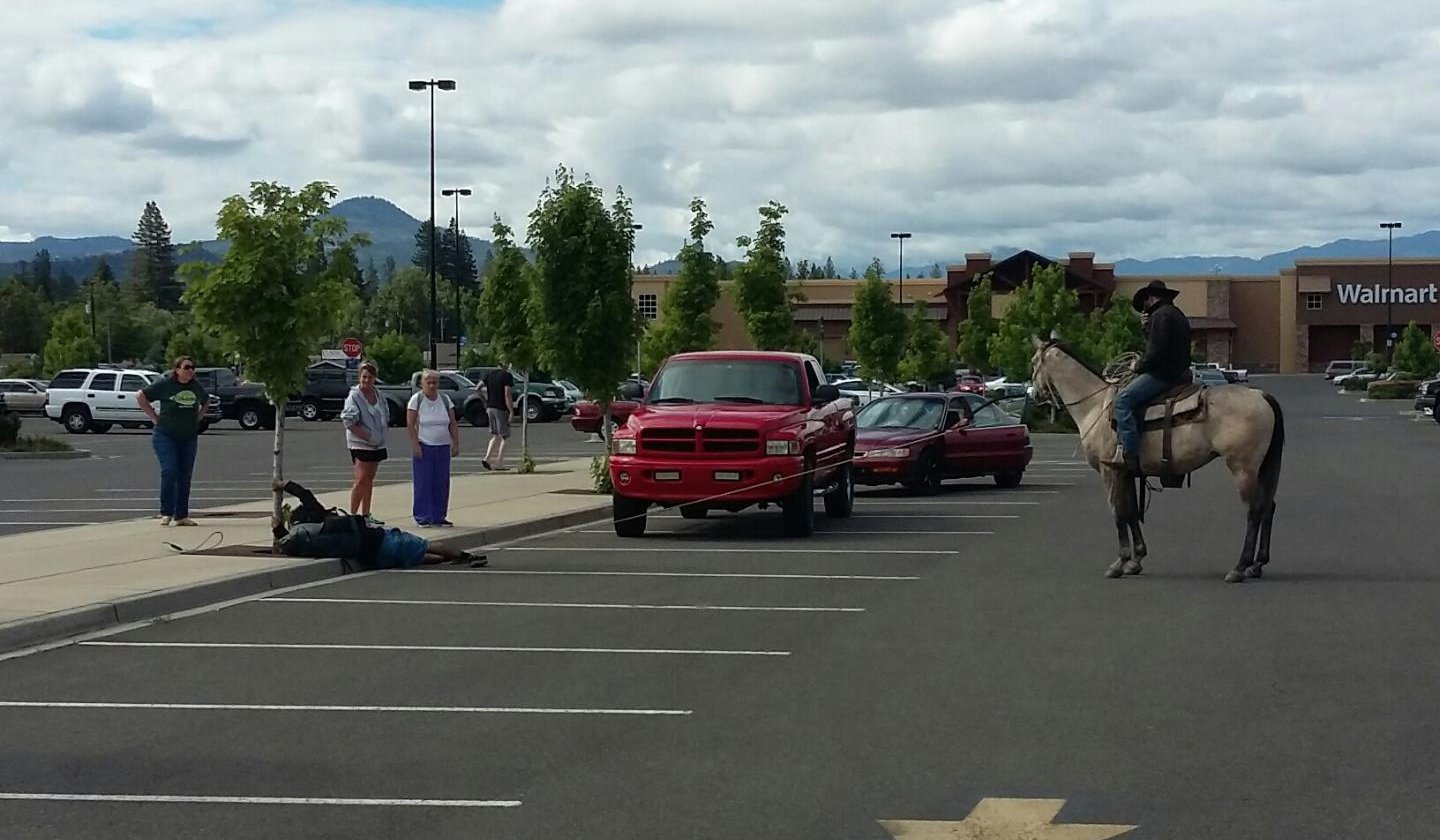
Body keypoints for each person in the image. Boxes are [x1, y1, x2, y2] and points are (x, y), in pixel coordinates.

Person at [272, 480, 486, 568]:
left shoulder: (304, 537)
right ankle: (464, 556)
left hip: (371, 556)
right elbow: (306, 496)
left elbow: (289, 544)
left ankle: (448, 560)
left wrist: (277, 528)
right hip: (379, 538)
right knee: (423, 544)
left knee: (417, 556)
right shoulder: (322, 519)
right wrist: (285, 485)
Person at [1112, 280, 1193, 473]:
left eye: (1144, 304)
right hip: (1181, 373)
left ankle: (1130, 453)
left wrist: (1137, 365)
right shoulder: (1176, 314)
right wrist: (1146, 328)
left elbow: (1156, 353)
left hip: (1164, 374)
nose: (1144, 309)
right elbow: (1163, 343)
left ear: (1151, 297)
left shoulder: (1160, 315)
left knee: (1122, 401)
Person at [138, 356, 208, 526]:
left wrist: (198, 418)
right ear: (177, 370)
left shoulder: (195, 387)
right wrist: (154, 417)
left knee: (185, 475)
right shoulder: (165, 385)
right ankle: (166, 512)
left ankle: (181, 515)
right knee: (169, 471)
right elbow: (141, 396)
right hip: (165, 435)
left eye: (192, 368)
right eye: (186, 367)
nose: (190, 371)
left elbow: (206, 401)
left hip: (188, 436)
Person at [407, 369, 459, 527]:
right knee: (424, 482)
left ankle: (439, 515)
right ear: (422, 384)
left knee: (441, 483)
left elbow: (452, 423)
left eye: (434, 383)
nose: (431, 386)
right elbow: (410, 424)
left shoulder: (445, 399)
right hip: (425, 445)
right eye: (428, 383)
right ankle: (423, 516)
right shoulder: (417, 399)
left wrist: (455, 442)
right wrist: (415, 444)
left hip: (442, 447)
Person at [341, 360, 389, 522]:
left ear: (374, 378)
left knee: (369, 478)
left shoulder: (379, 395)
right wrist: (367, 436)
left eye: (369, 377)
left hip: (377, 444)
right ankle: (353, 516)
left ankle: (366, 514)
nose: (365, 380)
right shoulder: (354, 396)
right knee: (360, 478)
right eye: (363, 377)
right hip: (360, 443)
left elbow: (384, 415)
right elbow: (348, 421)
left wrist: (379, 436)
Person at [481, 363, 515, 470]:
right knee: (505, 436)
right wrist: (511, 411)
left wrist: (485, 401)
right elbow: (507, 394)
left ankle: (487, 458)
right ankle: (499, 463)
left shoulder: (489, 374)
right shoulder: (506, 376)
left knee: (495, 434)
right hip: (501, 408)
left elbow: (477, 388)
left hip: (490, 407)